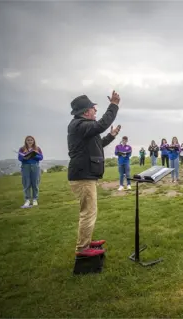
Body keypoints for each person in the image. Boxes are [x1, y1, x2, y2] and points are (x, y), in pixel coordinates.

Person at [67, 91, 121, 257]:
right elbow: (101, 125)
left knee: (90, 211)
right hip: (83, 176)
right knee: (88, 213)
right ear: (85, 112)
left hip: (85, 175)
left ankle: (87, 241)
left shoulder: (83, 128)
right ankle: (82, 249)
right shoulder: (80, 125)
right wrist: (114, 105)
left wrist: (111, 136)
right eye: (93, 109)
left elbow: (99, 143)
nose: (95, 112)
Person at [17, 135, 43, 208]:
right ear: (26, 141)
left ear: (33, 141)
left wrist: (33, 154)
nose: (30, 141)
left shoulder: (37, 148)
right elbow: (20, 158)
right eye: (28, 140)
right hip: (25, 167)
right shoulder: (22, 149)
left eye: (31, 140)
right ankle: (27, 200)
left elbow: (41, 157)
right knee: (26, 183)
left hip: (35, 166)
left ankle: (35, 199)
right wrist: (25, 156)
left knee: (35, 183)